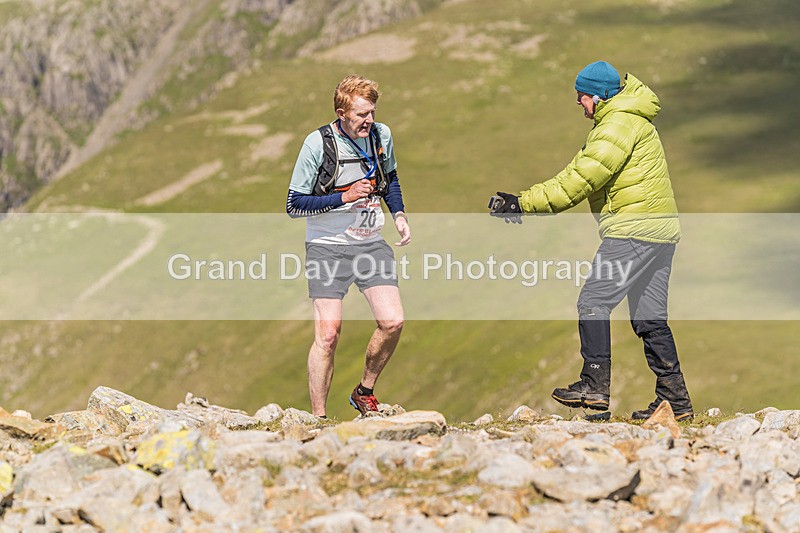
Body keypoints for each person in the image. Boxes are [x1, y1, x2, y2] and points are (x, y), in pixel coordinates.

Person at [491, 61, 693, 420]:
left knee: (593, 301)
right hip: (661, 232)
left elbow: (578, 182)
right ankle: (675, 401)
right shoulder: (631, 119)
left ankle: (594, 386)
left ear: (597, 96)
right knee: (650, 318)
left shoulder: (615, 126)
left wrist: (521, 203)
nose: (578, 103)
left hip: (634, 229)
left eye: (580, 96)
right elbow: (576, 172)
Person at [286, 75, 411, 418]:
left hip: (371, 244)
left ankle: (364, 391)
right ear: (341, 113)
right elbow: (294, 204)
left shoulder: (380, 136)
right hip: (327, 247)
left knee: (393, 321)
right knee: (328, 333)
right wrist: (345, 196)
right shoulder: (317, 144)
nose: (369, 121)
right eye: (361, 115)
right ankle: (319, 418)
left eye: (372, 112)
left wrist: (398, 214)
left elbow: (391, 178)